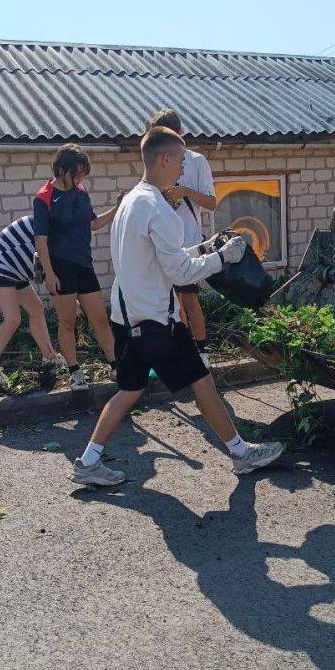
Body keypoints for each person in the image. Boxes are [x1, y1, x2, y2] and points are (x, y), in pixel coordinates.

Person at [71, 126, 284, 486]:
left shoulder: (131, 203)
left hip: (126, 316)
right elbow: (179, 272)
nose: (184, 170)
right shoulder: (158, 208)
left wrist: (204, 248)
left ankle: (88, 461)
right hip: (156, 319)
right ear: (165, 159)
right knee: (202, 382)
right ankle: (241, 453)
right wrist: (222, 258)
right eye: (182, 161)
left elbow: (158, 259)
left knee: (129, 389)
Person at [33, 144, 120, 391]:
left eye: (84, 174)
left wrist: (117, 208)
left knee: (101, 319)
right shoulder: (44, 198)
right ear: (62, 169)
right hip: (60, 269)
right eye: (77, 173)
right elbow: (41, 240)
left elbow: (92, 224)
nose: (81, 179)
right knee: (67, 322)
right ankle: (75, 373)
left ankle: (116, 365)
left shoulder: (81, 192)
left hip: (84, 265)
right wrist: (49, 274)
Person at [147, 108, 216, 367]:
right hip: (162, 243)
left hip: (188, 243)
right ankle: (182, 348)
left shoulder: (196, 161)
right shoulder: (155, 163)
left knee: (189, 299)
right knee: (170, 302)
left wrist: (184, 191)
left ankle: (202, 351)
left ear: (179, 135)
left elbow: (211, 202)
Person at [0, 216, 65, 389]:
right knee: (12, 319)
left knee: (36, 309)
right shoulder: (44, 229)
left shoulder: (53, 228)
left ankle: (50, 357)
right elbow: (49, 278)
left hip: (14, 271)